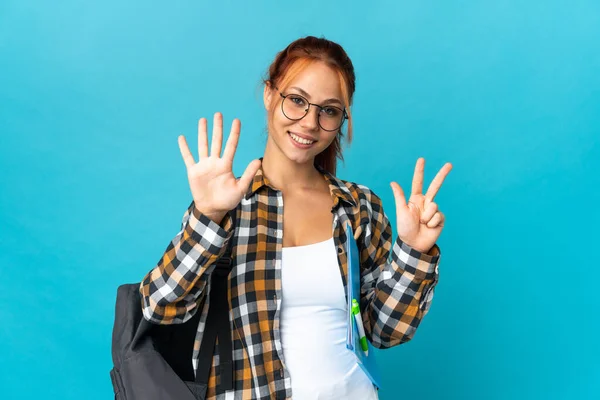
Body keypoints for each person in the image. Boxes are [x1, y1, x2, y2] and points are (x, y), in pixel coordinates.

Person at [140, 36, 452, 400]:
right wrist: (207, 216)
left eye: (329, 110)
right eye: (297, 101)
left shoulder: (358, 207)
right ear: (270, 95)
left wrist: (413, 252)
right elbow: (160, 308)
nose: (310, 122)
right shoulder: (227, 204)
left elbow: (383, 331)